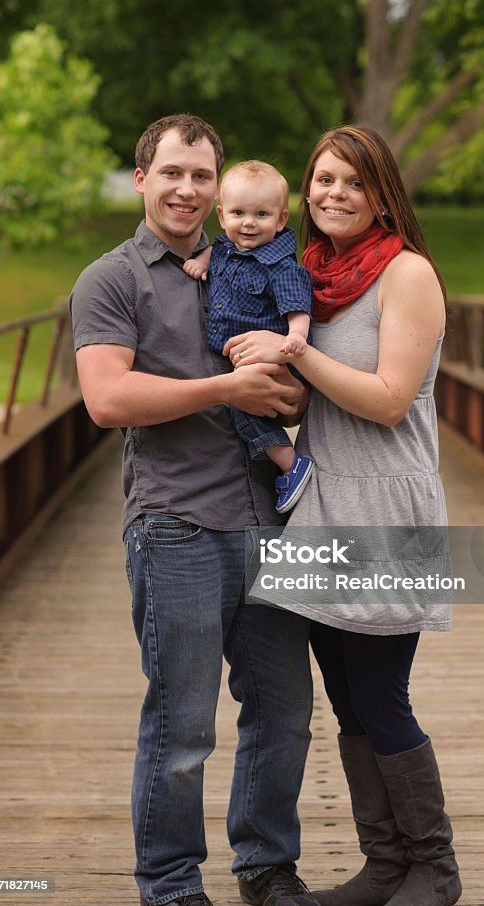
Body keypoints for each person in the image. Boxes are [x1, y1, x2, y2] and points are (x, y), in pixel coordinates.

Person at [69, 114, 319, 906]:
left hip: (271, 521)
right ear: (142, 178)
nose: (186, 188)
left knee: (283, 715)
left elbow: (302, 377)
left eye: (201, 176)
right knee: (182, 728)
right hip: (176, 522)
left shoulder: (254, 263)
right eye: (171, 172)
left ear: (217, 193)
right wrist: (227, 388)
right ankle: (172, 885)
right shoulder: (112, 279)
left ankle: (265, 866)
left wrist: (287, 374)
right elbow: (107, 399)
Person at [224, 125, 462, 906]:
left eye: (352, 183)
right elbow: (308, 396)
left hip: (386, 506)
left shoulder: (408, 274)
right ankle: (385, 865)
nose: (333, 194)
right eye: (322, 179)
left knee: (382, 693)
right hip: (319, 504)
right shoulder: (311, 274)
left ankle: (433, 867)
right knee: (345, 695)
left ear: (381, 191)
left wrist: (292, 356)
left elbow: (389, 402)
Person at [182, 160, 314, 513]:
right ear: (222, 217)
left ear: (281, 219)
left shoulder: (281, 266)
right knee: (240, 406)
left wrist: (296, 338)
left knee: (244, 412)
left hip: (268, 354)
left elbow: (297, 308)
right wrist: (204, 260)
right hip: (239, 355)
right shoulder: (226, 247)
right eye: (238, 213)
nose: (249, 223)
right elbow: (220, 250)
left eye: (261, 214)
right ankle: (284, 463)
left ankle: (291, 464)